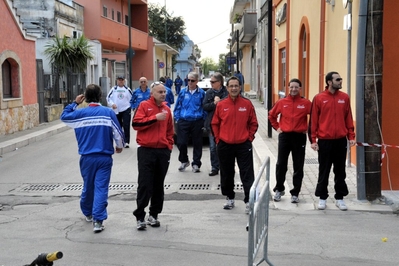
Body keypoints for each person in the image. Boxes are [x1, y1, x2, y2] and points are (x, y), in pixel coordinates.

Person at [61, 84, 124, 233]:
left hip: (86, 158)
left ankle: (88, 212)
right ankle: (98, 221)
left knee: (88, 186)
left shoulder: (79, 114)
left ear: (85, 98)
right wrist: (119, 145)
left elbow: (64, 116)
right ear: (100, 96)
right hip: (104, 158)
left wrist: (75, 103)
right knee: (101, 187)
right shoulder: (107, 112)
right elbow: (118, 132)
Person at [308, 71, 355, 211]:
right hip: (325, 141)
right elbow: (314, 121)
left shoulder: (344, 98)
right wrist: (313, 140)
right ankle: (322, 197)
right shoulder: (319, 98)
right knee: (324, 170)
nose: (340, 81)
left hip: (340, 141)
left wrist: (351, 137)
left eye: (340, 79)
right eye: (337, 79)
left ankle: (339, 198)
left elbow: (348, 118)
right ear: (329, 82)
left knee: (340, 171)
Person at [211, 76, 258, 214]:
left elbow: (253, 123)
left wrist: (249, 138)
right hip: (225, 144)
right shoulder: (221, 105)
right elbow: (215, 123)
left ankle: (249, 201)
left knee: (247, 173)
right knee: (226, 173)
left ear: (240, 87)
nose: (234, 88)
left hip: (243, 144)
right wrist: (218, 139)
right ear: (227, 88)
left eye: (236, 86)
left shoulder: (247, 104)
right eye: (231, 86)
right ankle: (229, 197)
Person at [132, 81, 174, 230]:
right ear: (152, 93)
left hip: (162, 151)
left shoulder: (167, 109)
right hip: (146, 150)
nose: (163, 94)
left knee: (158, 185)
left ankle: (154, 214)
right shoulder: (144, 105)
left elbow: (170, 130)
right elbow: (136, 124)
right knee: (145, 184)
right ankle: (140, 216)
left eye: (164, 92)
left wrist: (168, 145)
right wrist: (154, 118)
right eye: (160, 92)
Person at [268, 78, 312, 203]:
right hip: (285, 136)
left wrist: (308, 128)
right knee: (281, 164)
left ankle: (295, 193)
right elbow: (271, 115)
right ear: (288, 88)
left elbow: (316, 117)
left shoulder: (306, 103)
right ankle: (279, 189)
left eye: (296, 87)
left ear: (300, 89)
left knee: (298, 165)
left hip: (299, 137)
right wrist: (277, 127)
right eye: (291, 87)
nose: (293, 89)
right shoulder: (282, 102)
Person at [173, 72, 206, 173]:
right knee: (181, 142)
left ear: (196, 81)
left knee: (197, 143)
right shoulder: (183, 92)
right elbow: (177, 106)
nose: (190, 82)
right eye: (188, 80)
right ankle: (184, 160)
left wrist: (203, 119)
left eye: (192, 80)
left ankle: (196, 163)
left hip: (197, 121)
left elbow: (204, 107)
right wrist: (177, 118)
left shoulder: (201, 93)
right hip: (183, 120)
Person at [202, 72, 228, 176]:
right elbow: (205, 106)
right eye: (210, 81)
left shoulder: (227, 92)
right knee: (213, 148)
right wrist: (214, 103)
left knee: (225, 147)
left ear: (220, 82)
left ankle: (226, 167)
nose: (211, 83)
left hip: (225, 124)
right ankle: (215, 167)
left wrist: (220, 102)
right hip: (212, 125)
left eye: (213, 82)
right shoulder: (209, 92)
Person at [106, 76, 132, 148]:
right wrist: (112, 104)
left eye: (122, 80)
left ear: (124, 81)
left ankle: (126, 141)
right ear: (117, 81)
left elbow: (132, 98)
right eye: (119, 80)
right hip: (116, 110)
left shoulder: (127, 89)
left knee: (126, 125)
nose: (121, 81)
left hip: (126, 109)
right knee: (118, 126)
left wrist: (131, 107)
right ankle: (120, 141)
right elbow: (108, 98)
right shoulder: (114, 89)